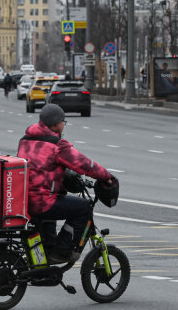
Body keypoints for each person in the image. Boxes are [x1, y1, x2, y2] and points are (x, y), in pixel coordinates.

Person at [17, 104, 114, 264]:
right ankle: (62, 252)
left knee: (50, 219)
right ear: (56, 124)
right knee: (83, 208)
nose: (64, 125)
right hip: (42, 202)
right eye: (63, 122)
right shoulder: (56, 145)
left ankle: (42, 269)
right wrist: (106, 176)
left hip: (24, 201)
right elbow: (83, 164)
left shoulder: (26, 139)